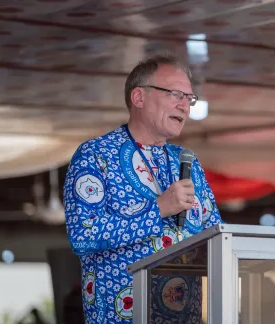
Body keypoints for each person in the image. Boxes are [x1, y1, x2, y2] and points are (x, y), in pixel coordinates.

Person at [63, 53, 223, 323]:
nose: (185, 106)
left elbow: (216, 235)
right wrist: (158, 209)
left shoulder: (188, 161)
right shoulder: (96, 155)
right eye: (175, 94)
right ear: (139, 97)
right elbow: (83, 235)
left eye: (189, 98)